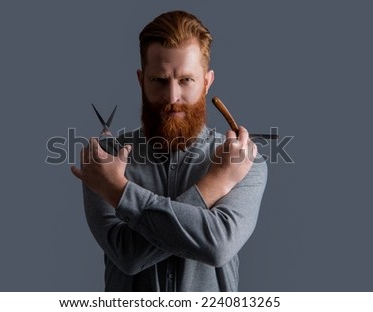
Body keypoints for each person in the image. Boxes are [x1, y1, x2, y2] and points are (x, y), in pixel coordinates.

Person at [71, 10, 267, 292]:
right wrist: (216, 184)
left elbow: (217, 246)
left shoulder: (245, 161)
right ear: (141, 80)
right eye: (159, 80)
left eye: (186, 80)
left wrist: (119, 192)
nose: (172, 97)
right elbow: (128, 255)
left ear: (207, 82)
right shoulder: (103, 159)